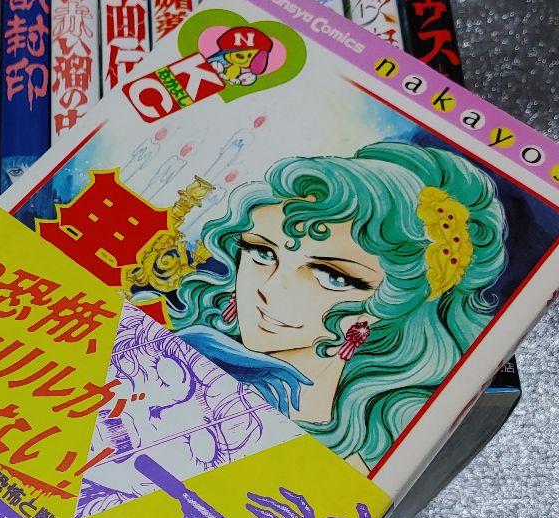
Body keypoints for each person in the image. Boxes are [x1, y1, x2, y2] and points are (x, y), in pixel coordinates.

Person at [170, 141, 508, 470]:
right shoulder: (174, 356)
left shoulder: (353, 467)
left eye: (331, 276)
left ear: (394, 304)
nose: (269, 289)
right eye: (263, 252)